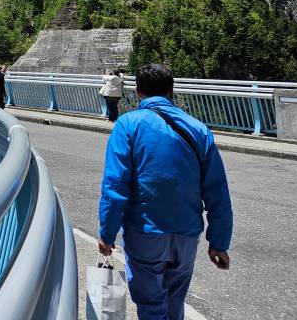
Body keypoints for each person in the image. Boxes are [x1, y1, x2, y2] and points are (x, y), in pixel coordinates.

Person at [98, 63, 233, 320]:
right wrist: (219, 242)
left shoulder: (127, 125)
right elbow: (217, 190)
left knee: (151, 306)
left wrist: (107, 232)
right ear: (172, 91)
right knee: (174, 303)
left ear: (138, 92)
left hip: (144, 232)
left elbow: (115, 186)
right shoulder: (199, 129)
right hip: (186, 235)